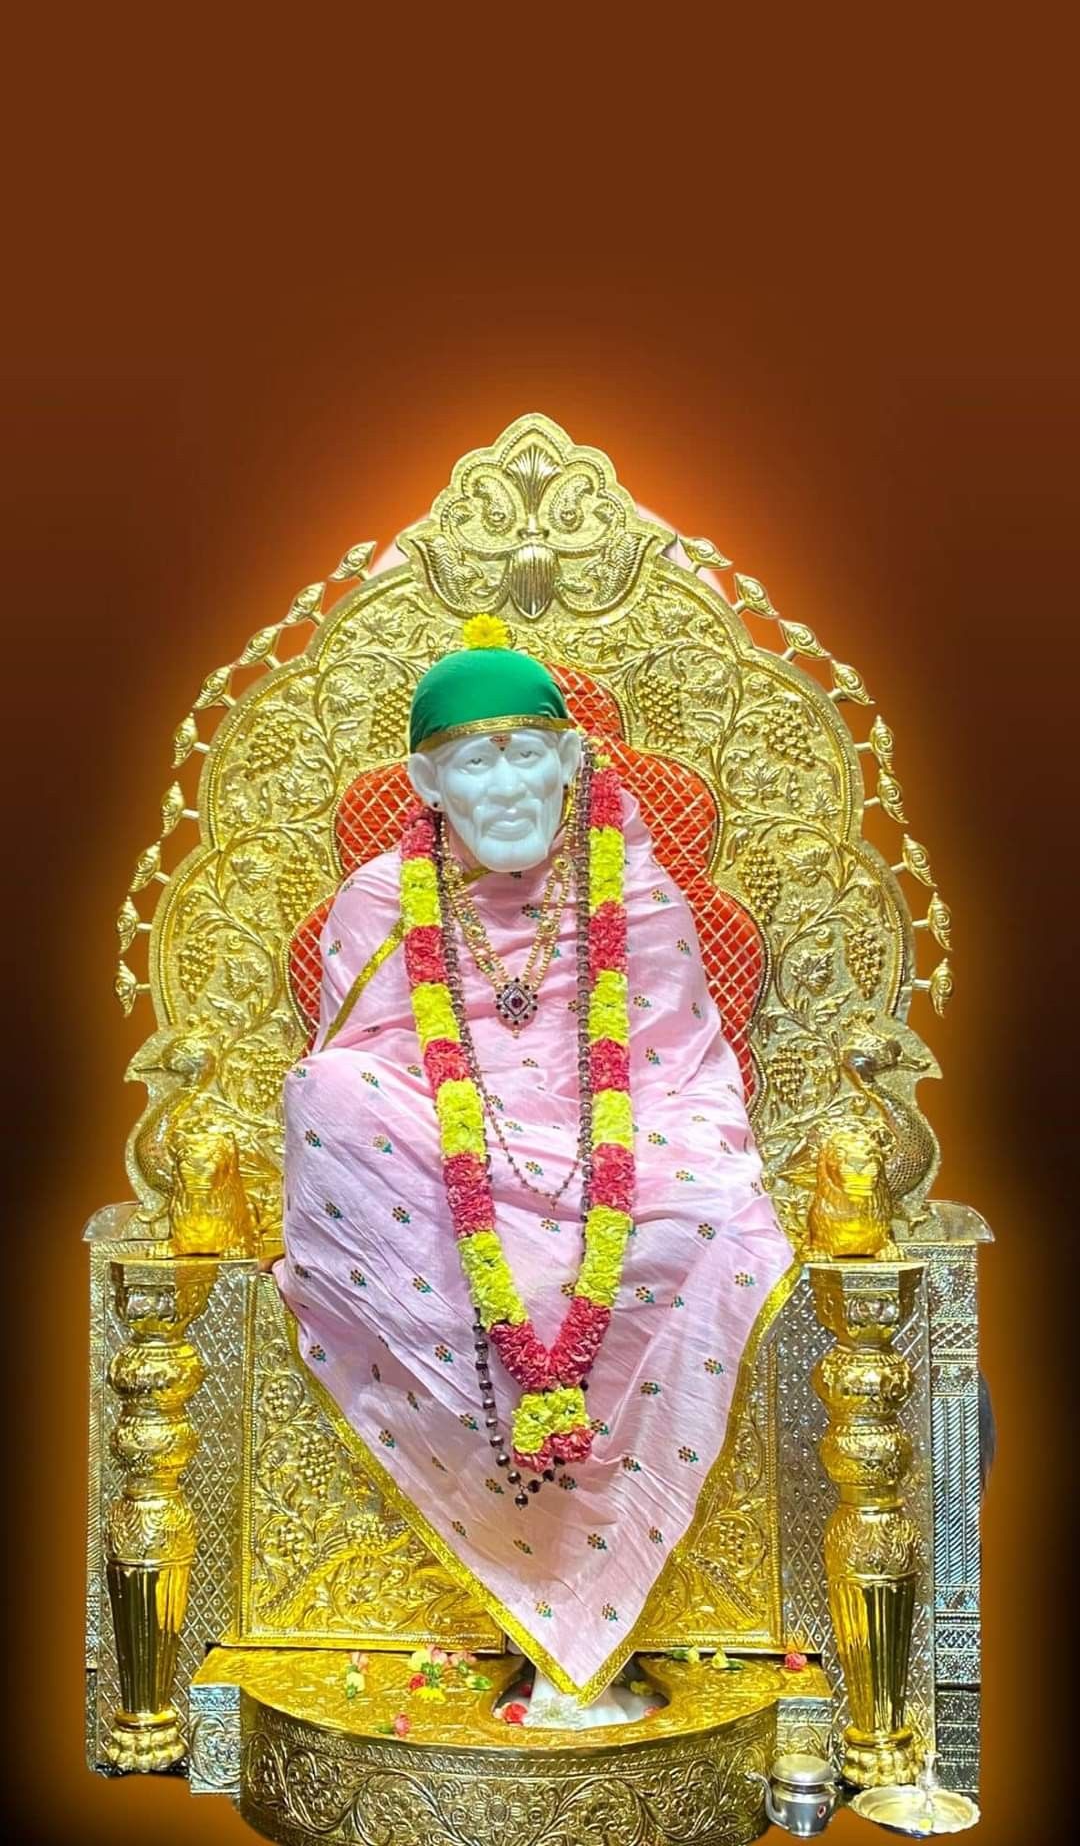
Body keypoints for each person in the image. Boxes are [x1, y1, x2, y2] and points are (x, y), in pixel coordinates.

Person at [276, 615, 794, 1715]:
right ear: (427, 781)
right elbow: (355, 1065)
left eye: (524, 751)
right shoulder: (381, 900)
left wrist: (693, 1147)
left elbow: (683, 1059)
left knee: (714, 1206)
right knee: (323, 1096)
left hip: (623, 1140)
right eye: (474, 758)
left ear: (570, 758)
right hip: (444, 1158)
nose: (504, 782)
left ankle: (597, 1574)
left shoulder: (632, 888)